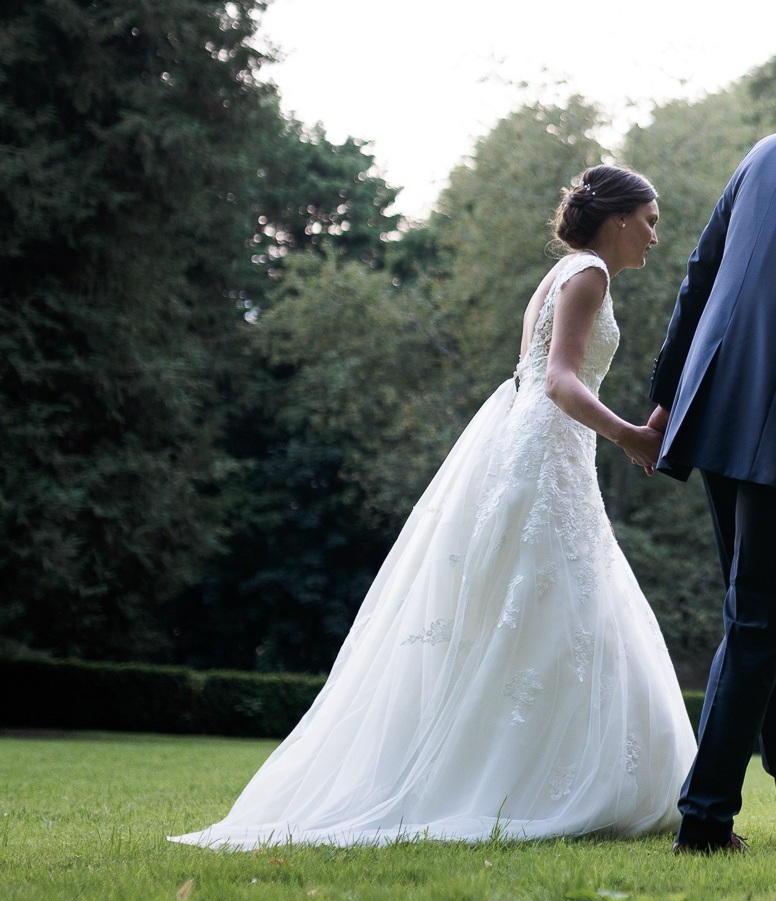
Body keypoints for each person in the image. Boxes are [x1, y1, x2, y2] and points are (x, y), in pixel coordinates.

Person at [169, 165, 695, 850]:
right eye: (651, 220)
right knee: (553, 609)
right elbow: (560, 382)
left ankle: (530, 775)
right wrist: (628, 435)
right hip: (547, 453)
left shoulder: (566, 272)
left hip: (540, 454)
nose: (656, 236)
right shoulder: (588, 273)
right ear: (619, 218)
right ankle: (528, 784)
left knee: (541, 612)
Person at [649, 134, 776, 855]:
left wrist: (668, 395)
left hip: (719, 403)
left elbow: (699, 275)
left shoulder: (762, 155)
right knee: (758, 620)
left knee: (756, 616)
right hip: (767, 421)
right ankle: (703, 820)